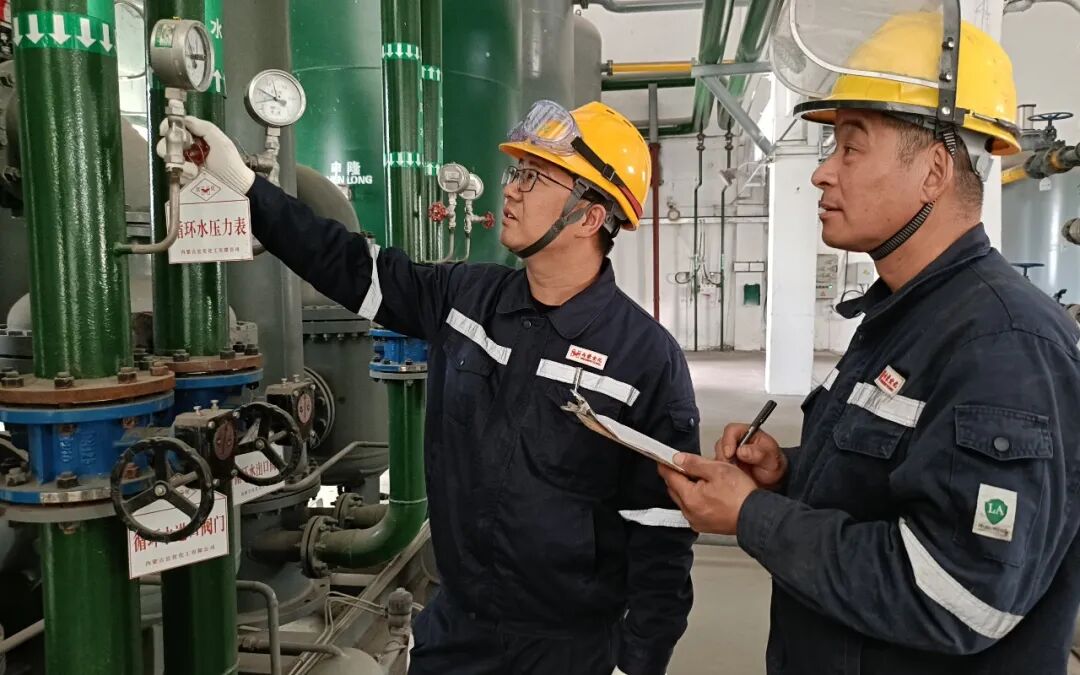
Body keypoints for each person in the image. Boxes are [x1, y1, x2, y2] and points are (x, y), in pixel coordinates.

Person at [160, 100, 699, 675]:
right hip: (457, 628)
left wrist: (637, 663)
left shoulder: (644, 359)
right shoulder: (466, 299)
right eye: (516, 172)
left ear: (589, 217)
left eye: (534, 177)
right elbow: (345, 262)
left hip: (568, 648)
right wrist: (245, 186)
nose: (510, 189)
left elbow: (663, 529)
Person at [659, 4, 1080, 674]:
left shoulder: (1003, 343)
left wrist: (754, 516)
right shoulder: (905, 317)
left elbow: (962, 596)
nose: (823, 172)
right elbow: (899, 477)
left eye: (851, 147)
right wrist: (787, 474)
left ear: (934, 172)